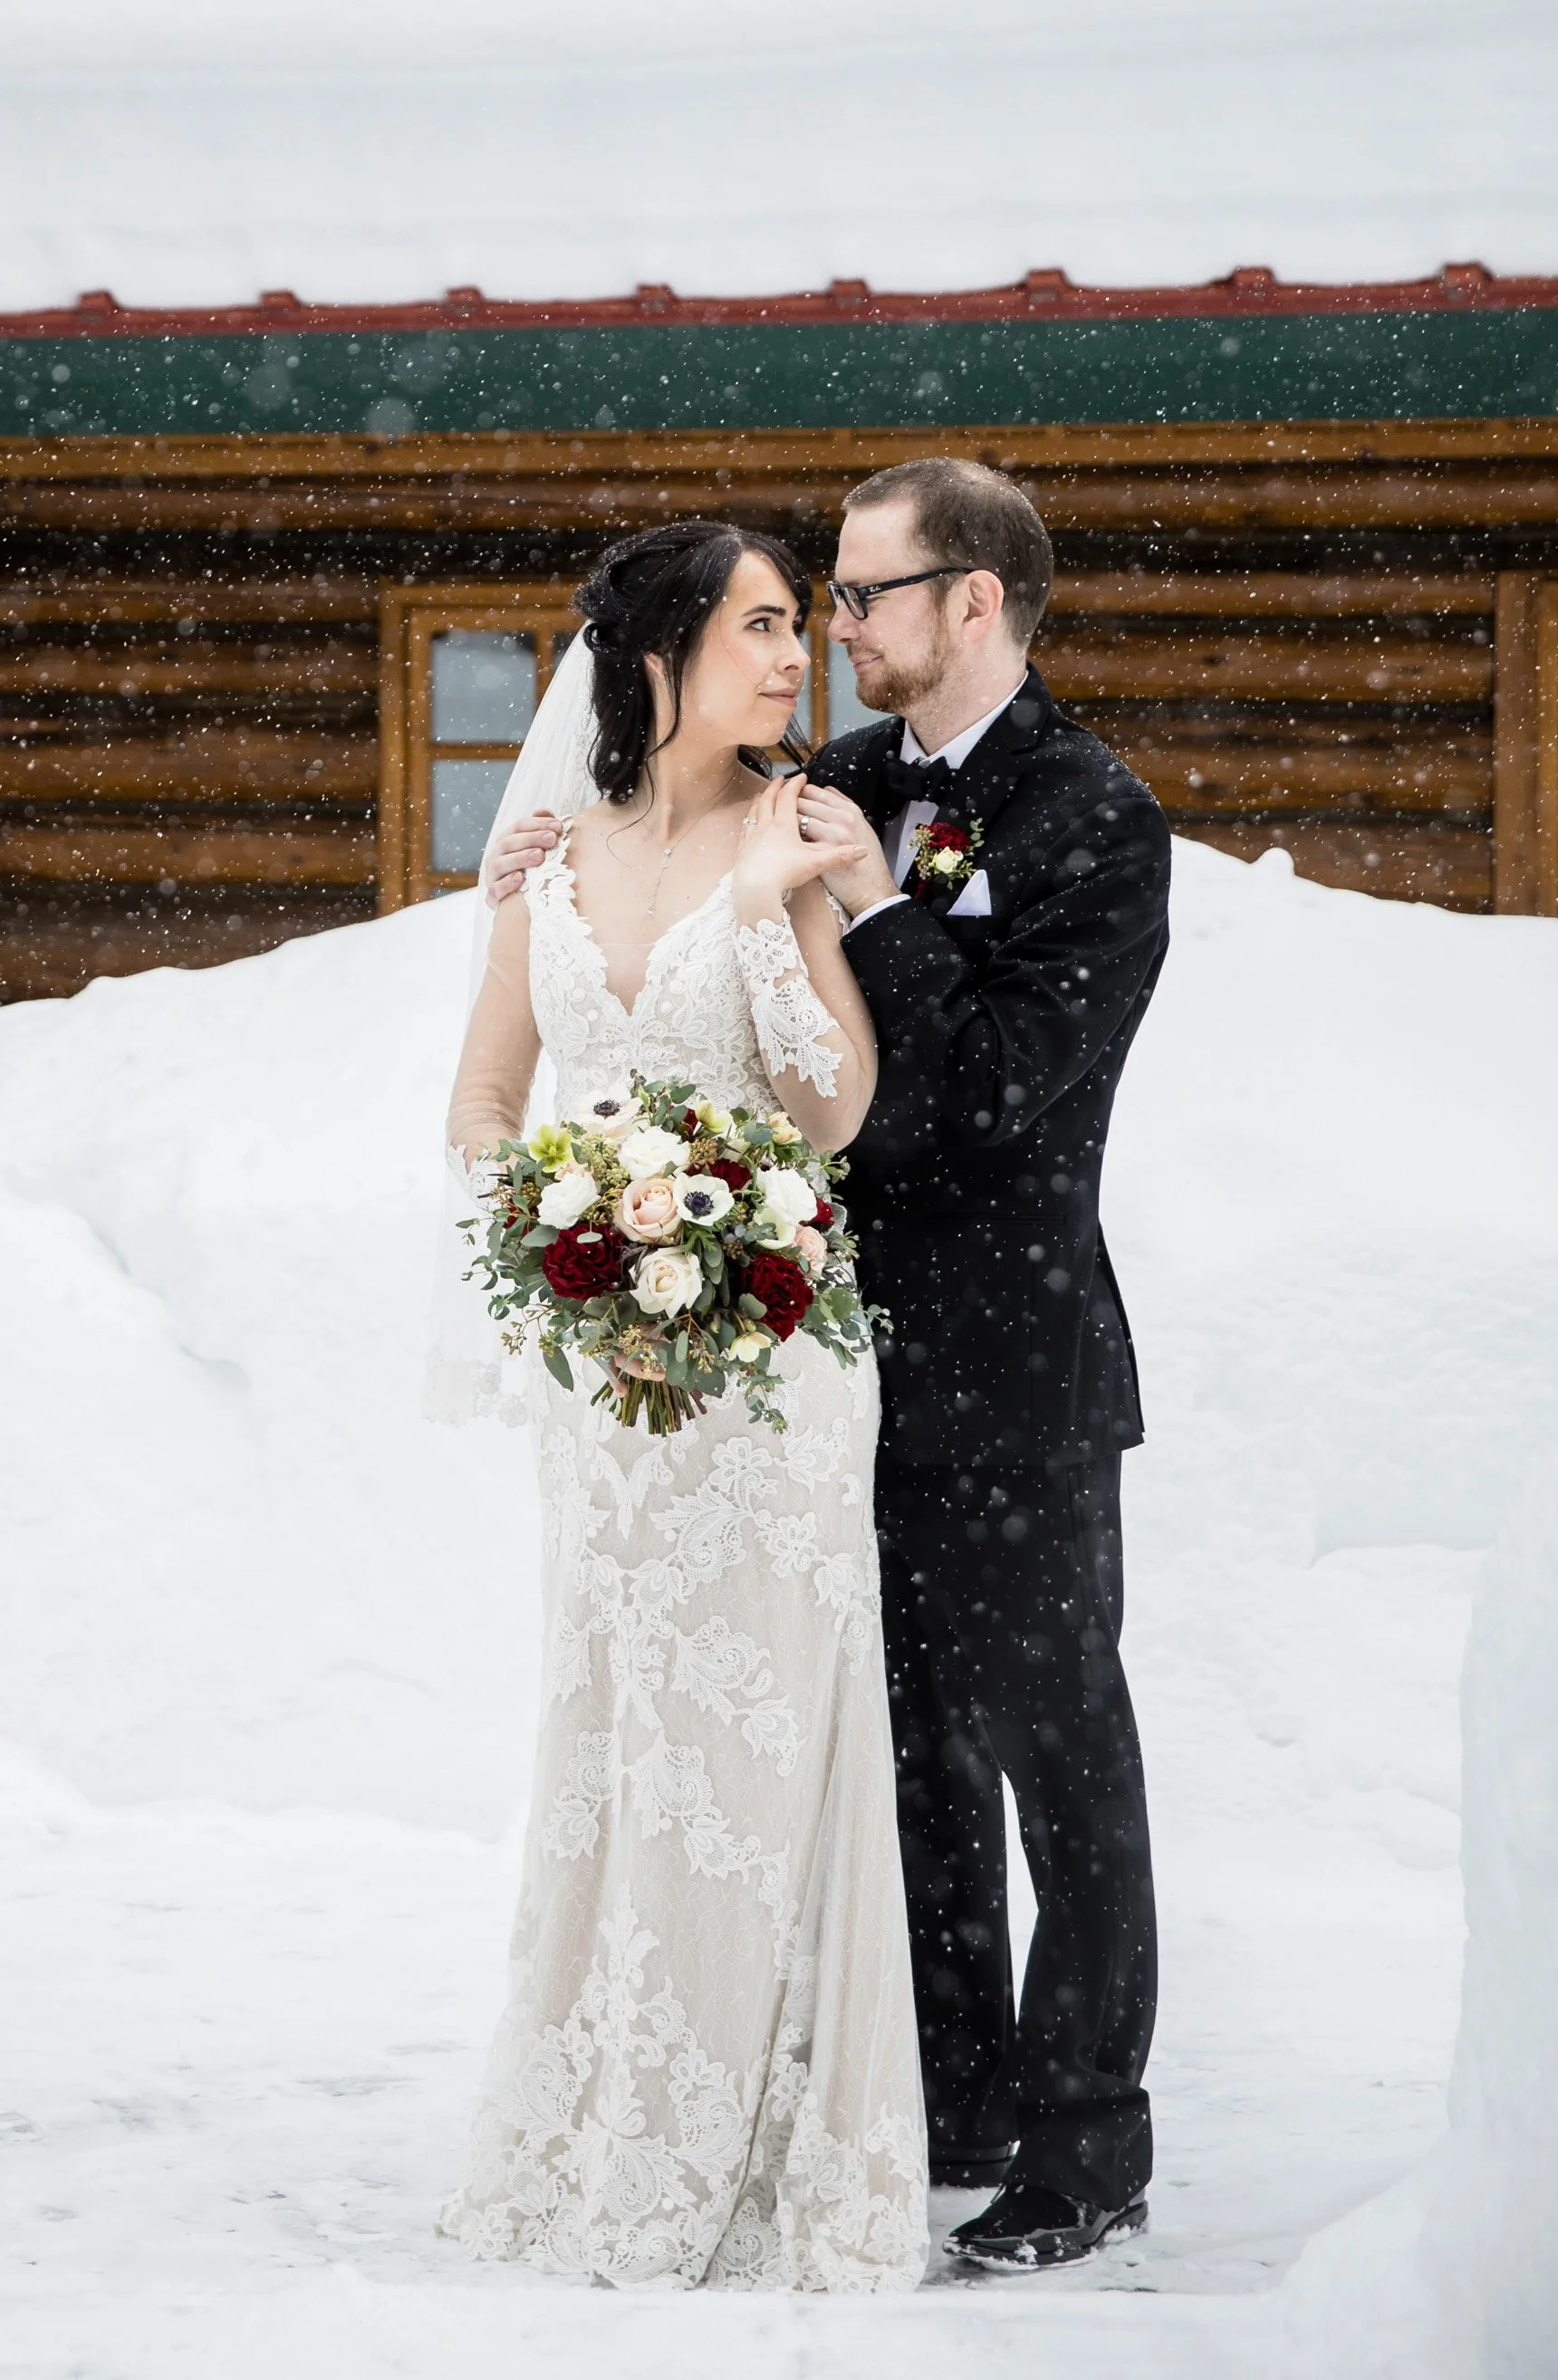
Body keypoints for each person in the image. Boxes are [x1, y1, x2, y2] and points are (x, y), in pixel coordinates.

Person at [485, 458, 1170, 2272]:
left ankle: (1087, 2146)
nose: (841, 631)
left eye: (867, 596)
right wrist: (544, 847)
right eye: (825, 601)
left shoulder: (1100, 822)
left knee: (1056, 1757)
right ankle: (940, 2096)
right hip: (810, 1362)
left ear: (977, 602)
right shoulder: (834, 787)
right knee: (902, 1761)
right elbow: (683, 858)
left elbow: (999, 1103)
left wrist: (873, 920)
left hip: (1015, 1373)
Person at [439, 517, 928, 2293]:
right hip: (613, 1399)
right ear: (657, 657)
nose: (797, 657)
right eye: (763, 627)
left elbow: (833, 1109)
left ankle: (751, 2134)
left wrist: (770, 909)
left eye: (802, 625)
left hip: (772, 1369)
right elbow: (485, 1105)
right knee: (619, 1745)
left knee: (752, 1749)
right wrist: (565, 1240)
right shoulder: (552, 867)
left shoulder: (792, 836)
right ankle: (604, 2113)